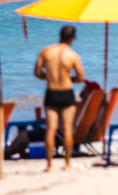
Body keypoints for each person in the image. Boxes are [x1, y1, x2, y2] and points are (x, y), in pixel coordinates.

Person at [33, 25, 85, 172]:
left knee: (50, 129)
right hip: (66, 93)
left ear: (60, 35)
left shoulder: (46, 51)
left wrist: (47, 77)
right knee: (68, 130)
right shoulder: (73, 55)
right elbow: (81, 78)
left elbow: (37, 72)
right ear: (72, 38)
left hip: (51, 92)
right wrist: (70, 78)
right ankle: (67, 164)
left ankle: (49, 165)